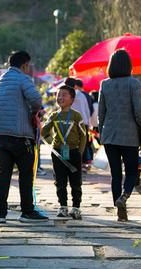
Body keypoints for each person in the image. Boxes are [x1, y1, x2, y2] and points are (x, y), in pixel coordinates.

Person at [0, 50, 48, 223]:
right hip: (21, 135)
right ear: (24, 65)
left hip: (3, 135)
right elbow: (36, 100)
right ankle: (27, 211)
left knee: (4, 175)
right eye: (28, 66)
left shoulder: (1, 81)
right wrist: (34, 112)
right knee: (25, 174)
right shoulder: (23, 79)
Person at [98, 49, 141, 222]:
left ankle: (120, 211)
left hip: (110, 135)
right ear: (128, 65)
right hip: (130, 135)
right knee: (132, 172)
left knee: (116, 174)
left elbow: (101, 113)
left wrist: (102, 133)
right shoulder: (133, 84)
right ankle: (124, 196)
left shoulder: (105, 84)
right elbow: (139, 112)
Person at [42, 85, 86, 219]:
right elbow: (44, 132)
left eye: (64, 95)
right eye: (58, 95)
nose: (60, 97)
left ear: (72, 99)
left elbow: (83, 135)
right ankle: (63, 207)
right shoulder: (54, 115)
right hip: (58, 154)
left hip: (73, 152)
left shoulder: (76, 116)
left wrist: (79, 152)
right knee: (60, 181)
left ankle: (76, 207)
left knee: (75, 181)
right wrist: (52, 144)